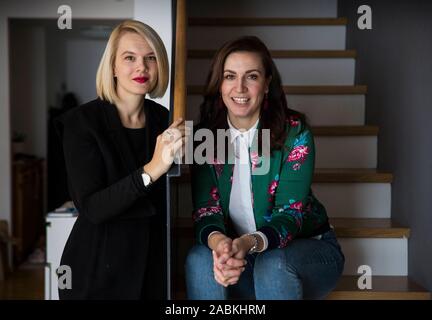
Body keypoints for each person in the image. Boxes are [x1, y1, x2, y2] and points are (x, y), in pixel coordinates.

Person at [185, 36, 345, 300]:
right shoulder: (207, 137)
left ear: (267, 83)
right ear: (219, 84)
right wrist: (222, 246)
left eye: (251, 76)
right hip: (244, 259)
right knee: (199, 258)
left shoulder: (294, 132)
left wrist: (247, 243)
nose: (240, 87)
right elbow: (206, 211)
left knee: (272, 263)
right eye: (229, 76)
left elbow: (289, 216)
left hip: (306, 255)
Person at [56, 20, 185, 299]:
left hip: (152, 266)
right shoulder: (81, 123)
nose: (142, 67)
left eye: (151, 58)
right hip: (96, 269)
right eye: (130, 58)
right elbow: (92, 207)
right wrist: (151, 170)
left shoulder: (166, 121)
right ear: (112, 66)